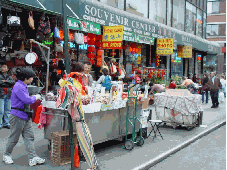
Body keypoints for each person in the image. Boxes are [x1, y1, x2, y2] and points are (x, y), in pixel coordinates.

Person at [3, 68, 45, 166]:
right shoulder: (18, 86)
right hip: (17, 115)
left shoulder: (22, 85)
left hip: (25, 114)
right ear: (25, 78)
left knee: (29, 137)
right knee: (14, 137)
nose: (32, 80)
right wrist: (36, 97)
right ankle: (6, 155)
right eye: (31, 78)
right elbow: (27, 100)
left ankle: (32, 157)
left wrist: (34, 97)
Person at [0, 63, 15, 129]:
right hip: (1, 95)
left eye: (5, 67)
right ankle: (0, 124)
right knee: (1, 111)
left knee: (8, 110)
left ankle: (6, 123)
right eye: (2, 67)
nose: (3, 68)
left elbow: (13, 82)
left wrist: (5, 81)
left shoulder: (9, 77)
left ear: (7, 69)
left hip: (8, 95)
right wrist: (7, 82)